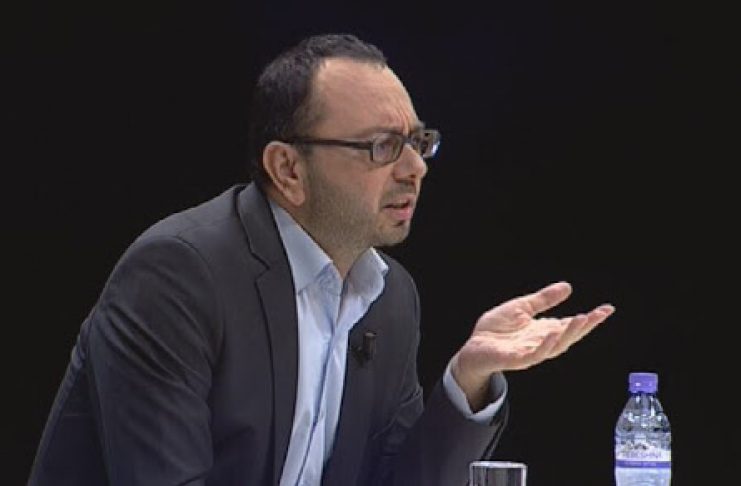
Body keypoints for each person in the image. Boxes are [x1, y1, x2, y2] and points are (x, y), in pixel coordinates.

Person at [28, 33, 615, 486]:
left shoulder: (389, 297)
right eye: (382, 146)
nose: (416, 168)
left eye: (418, 142)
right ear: (288, 169)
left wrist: (468, 377)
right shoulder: (180, 276)